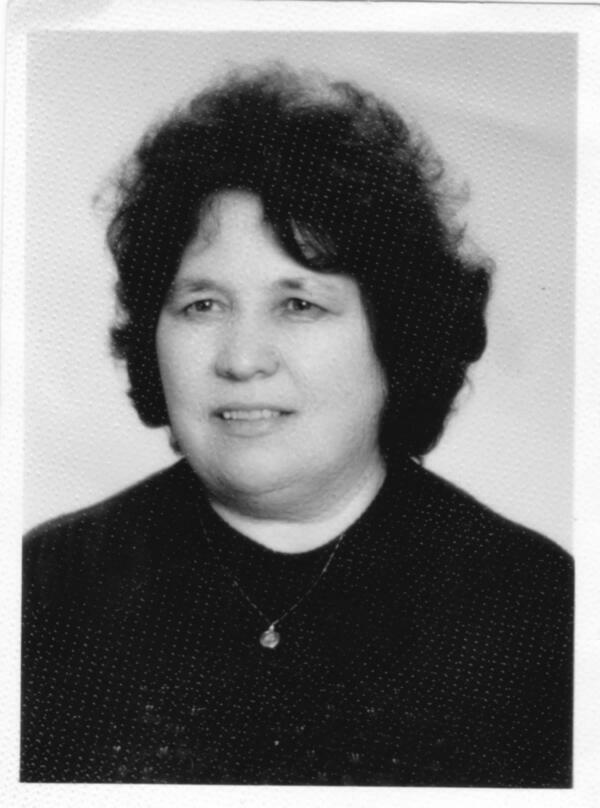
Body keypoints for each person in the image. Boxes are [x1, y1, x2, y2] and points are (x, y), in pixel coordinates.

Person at [21, 64, 573, 786]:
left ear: (396, 336)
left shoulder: (537, 609)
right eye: (202, 305)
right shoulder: (45, 588)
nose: (242, 358)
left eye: (300, 305)